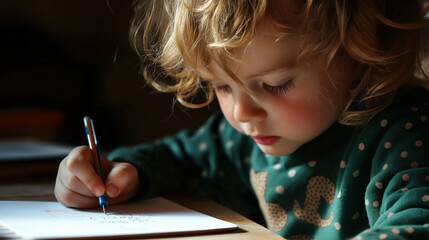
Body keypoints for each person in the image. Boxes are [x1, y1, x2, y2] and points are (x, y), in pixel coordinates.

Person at [55, 0, 429, 239]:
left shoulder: (406, 134)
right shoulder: (243, 137)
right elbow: (178, 158)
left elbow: (418, 224)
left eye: (275, 84)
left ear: (356, 57)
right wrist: (117, 174)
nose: (240, 112)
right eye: (221, 86)